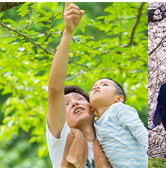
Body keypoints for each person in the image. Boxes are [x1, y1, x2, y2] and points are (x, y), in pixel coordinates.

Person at [45, 3, 111, 168]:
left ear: (92, 109)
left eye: (80, 99)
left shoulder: (112, 141)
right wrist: (68, 32)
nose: (74, 102)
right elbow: (55, 87)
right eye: (66, 104)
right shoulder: (61, 140)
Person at [91, 77, 148, 168]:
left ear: (118, 99)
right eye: (93, 88)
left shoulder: (118, 108)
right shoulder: (95, 123)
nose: (96, 87)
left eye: (104, 85)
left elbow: (138, 128)